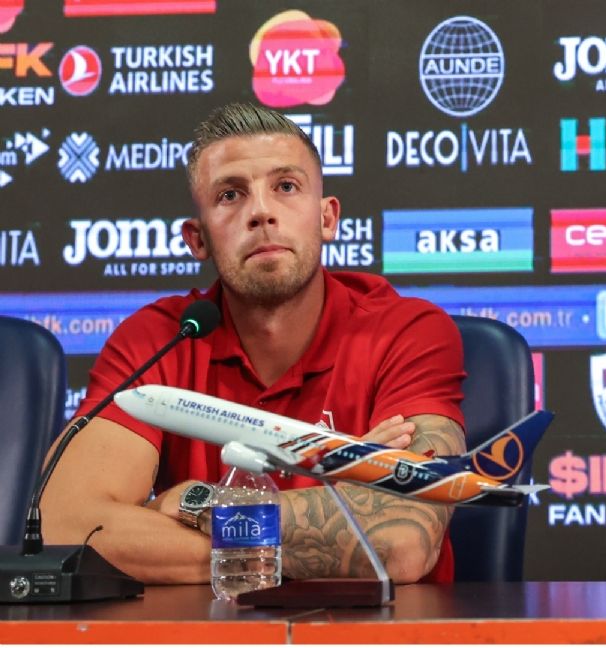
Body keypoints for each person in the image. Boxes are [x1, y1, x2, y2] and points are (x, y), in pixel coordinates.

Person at [41, 103, 467, 585]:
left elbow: (401, 542)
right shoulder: (157, 339)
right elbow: (67, 528)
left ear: (327, 218)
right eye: (230, 195)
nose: (261, 212)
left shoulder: (406, 331)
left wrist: (193, 505)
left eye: (286, 187)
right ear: (197, 239)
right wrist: (341, 510)